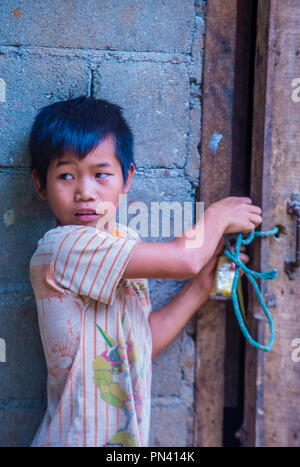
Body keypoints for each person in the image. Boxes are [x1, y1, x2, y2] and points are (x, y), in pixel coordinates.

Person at [28, 96, 261, 447]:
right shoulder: (61, 248)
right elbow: (184, 259)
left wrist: (200, 287)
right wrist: (218, 216)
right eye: (66, 175)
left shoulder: (126, 242)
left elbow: (138, 341)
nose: (85, 192)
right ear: (40, 184)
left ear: (127, 178)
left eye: (100, 174)